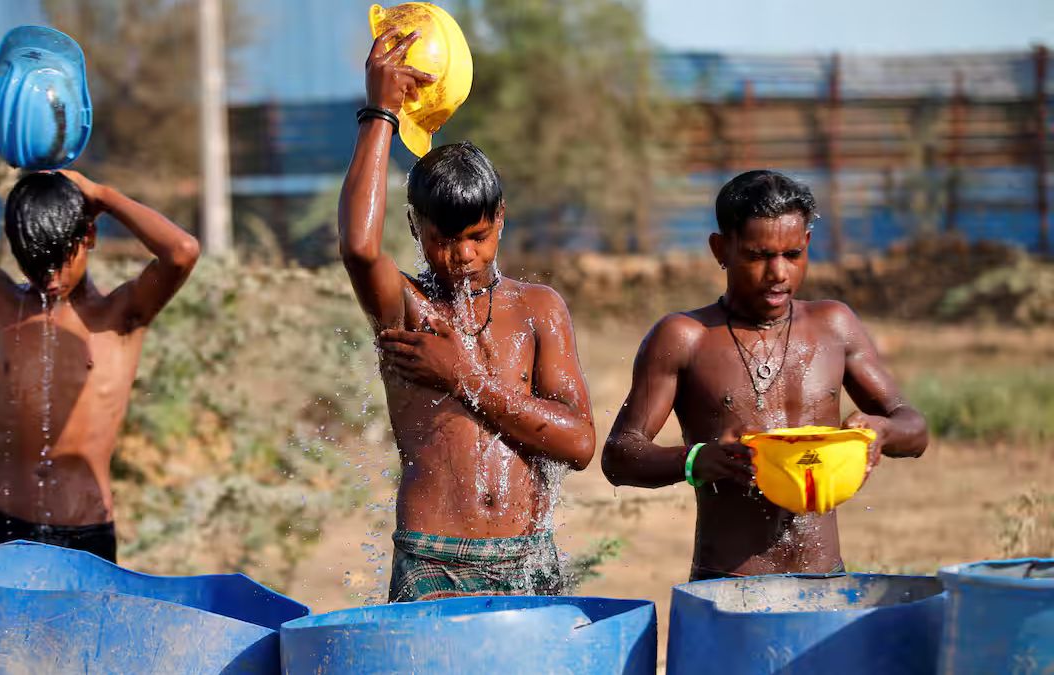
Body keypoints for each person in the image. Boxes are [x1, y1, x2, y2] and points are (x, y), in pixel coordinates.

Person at [0, 75, 200, 562]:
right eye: (32, 263)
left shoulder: (123, 315)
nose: (48, 277)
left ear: (89, 237)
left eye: (59, 260)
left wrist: (102, 194)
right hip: (1, 525)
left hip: (86, 535)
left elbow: (182, 251)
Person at [340, 31, 596, 601]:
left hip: (527, 555)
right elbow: (358, 247)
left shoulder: (538, 309)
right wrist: (379, 113)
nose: (462, 256)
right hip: (433, 556)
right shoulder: (408, 308)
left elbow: (579, 444)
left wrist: (465, 378)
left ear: (501, 218)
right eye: (443, 240)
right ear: (415, 228)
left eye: (477, 236)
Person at [601, 170, 928, 580]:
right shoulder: (685, 337)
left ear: (807, 244)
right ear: (720, 249)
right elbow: (620, 455)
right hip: (728, 584)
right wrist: (698, 459)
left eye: (792, 254)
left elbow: (914, 428)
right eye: (758, 256)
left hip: (826, 581)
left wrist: (882, 431)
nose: (778, 273)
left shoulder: (834, 325)